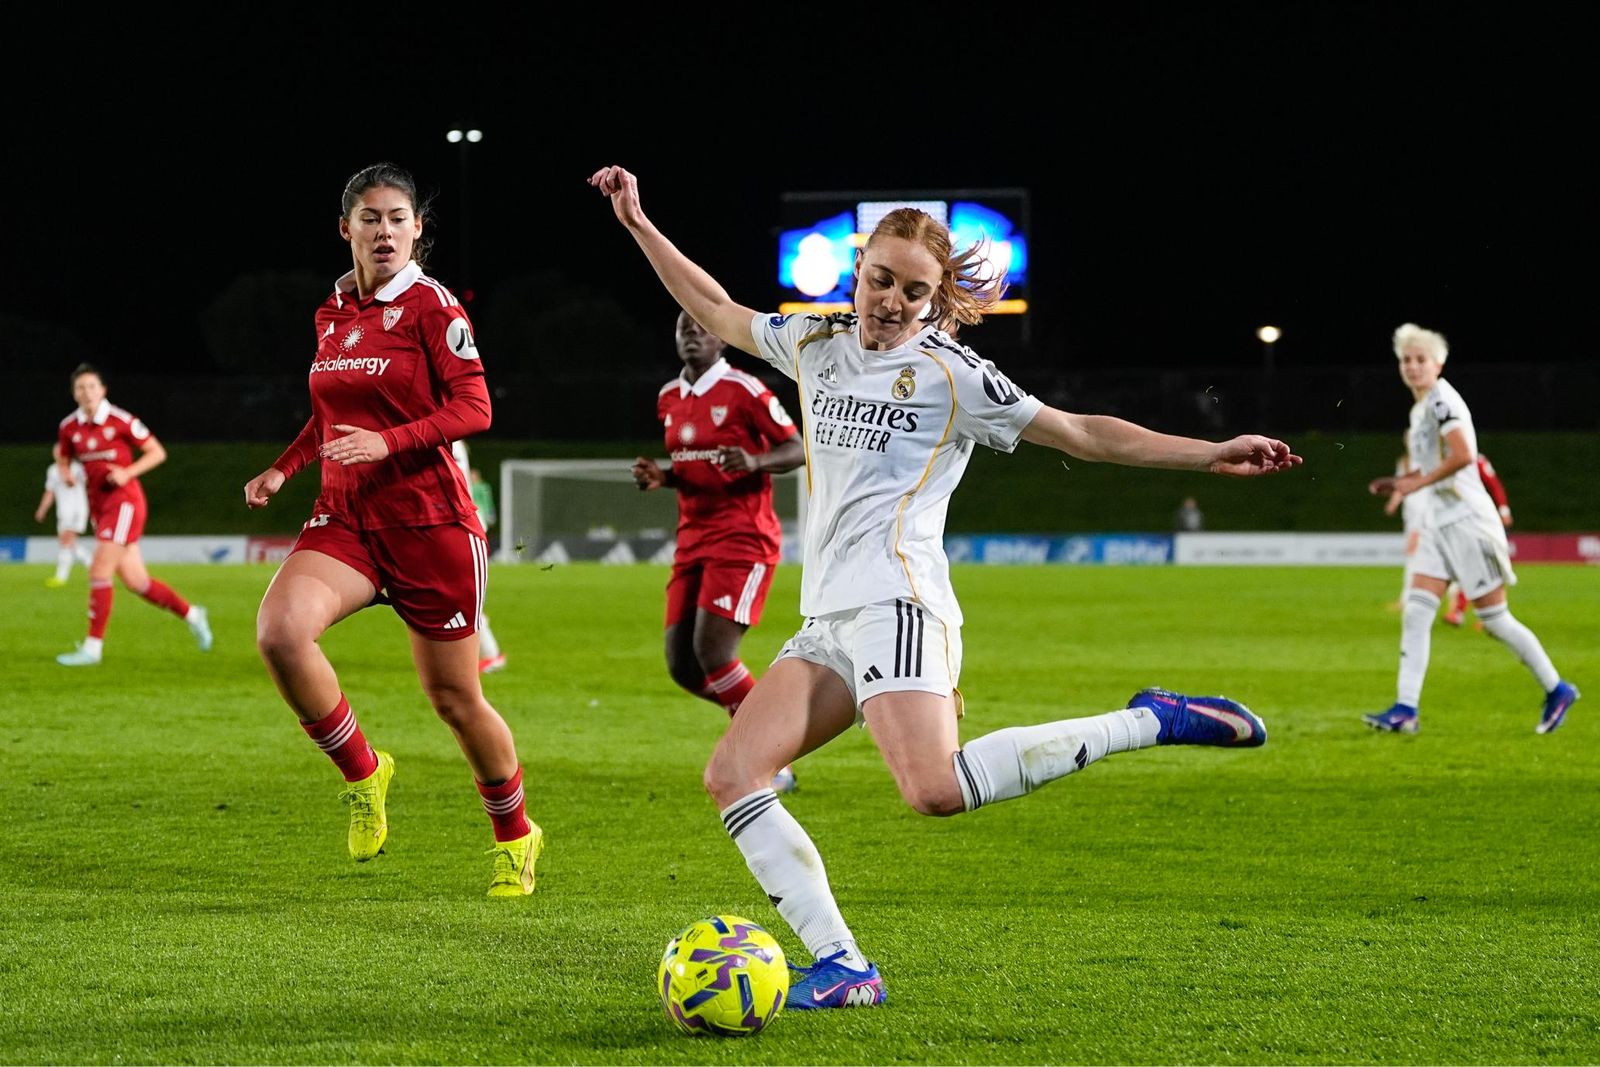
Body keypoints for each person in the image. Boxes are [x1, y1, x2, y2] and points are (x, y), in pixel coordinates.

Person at [591, 164, 1300, 1009]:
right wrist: (638, 223)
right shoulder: (813, 340)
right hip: (828, 616)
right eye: (881, 279)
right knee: (733, 773)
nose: (891, 301)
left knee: (933, 789)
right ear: (858, 271)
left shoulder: (954, 374)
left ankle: (1151, 719)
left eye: (914, 290)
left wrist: (1209, 452)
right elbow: (713, 306)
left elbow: (1081, 432)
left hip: (899, 601)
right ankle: (845, 966)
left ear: (936, 299)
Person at [244, 163, 542, 897]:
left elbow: (475, 408)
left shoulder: (433, 308)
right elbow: (327, 416)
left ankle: (515, 835)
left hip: (429, 525)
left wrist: (389, 441)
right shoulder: (332, 312)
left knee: (455, 700)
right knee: (281, 633)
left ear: (417, 229)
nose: (385, 230)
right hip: (346, 518)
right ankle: (364, 773)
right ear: (345, 228)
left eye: (398, 218)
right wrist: (283, 468)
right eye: (371, 218)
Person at [1364, 323, 1577, 735]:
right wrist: (1404, 483)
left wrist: (1416, 484)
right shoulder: (1420, 409)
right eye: (1406, 360)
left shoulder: (1443, 401)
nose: (1412, 366)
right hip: (1438, 523)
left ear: (1438, 364)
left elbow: (1464, 455)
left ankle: (1557, 688)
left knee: (1495, 619)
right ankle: (1406, 710)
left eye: (1420, 359)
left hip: (1467, 522)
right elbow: (1433, 465)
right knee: (1417, 612)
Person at [632, 311, 807, 792]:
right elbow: (695, 465)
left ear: (722, 340)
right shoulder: (669, 396)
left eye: (702, 328)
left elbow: (797, 449)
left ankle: (771, 759)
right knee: (682, 666)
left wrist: (755, 460)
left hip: (743, 537)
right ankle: (766, 728)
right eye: (683, 328)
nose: (692, 334)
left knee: (713, 650)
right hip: (692, 539)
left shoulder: (745, 390)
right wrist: (664, 476)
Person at [53, 365, 212, 665]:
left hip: (124, 503)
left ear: (103, 390)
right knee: (137, 582)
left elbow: (157, 452)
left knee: (99, 570)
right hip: (99, 506)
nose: (86, 392)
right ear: (74, 393)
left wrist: (127, 473)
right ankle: (193, 615)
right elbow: (62, 455)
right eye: (80, 388)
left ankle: (92, 648)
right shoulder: (69, 427)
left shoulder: (121, 420)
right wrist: (65, 472)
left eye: (92, 386)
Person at [452, 439, 506, 673]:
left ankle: (491, 654)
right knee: (459, 597)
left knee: (461, 598)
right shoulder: (453, 441)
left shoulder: (446, 441)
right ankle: (485, 652)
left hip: (459, 527)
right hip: (460, 525)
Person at [35, 458, 95, 587]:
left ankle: (62, 576)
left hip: (77, 509)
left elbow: (72, 483)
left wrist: (65, 471)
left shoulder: (77, 468)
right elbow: (50, 492)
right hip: (63, 511)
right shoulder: (52, 470)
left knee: (66, 540)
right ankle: (89, 564)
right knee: (66, 542)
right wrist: (42, 509)